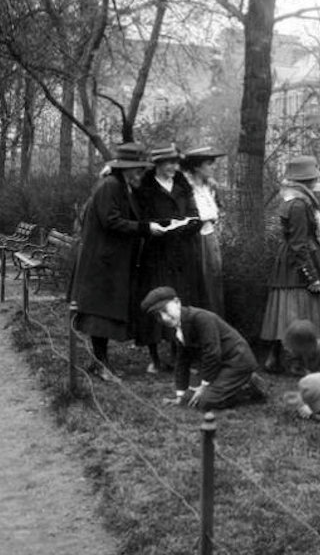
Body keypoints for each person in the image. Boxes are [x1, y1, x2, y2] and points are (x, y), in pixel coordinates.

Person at [70, 143, 164, 382]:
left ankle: (100, 363)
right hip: (102, 264)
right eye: (138, 170)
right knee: (99, 316)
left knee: (104, 316)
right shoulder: (110, 186)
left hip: (111, 263)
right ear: (126, 169)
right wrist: (145, 228)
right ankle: (101, 365)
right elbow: (111, 221)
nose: (140, 175)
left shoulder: (120, 186)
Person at [134, 143, 205, 374]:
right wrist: (156, 226)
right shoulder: (144, 187)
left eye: (176, 163)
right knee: (155, 300)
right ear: (158, 164)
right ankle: (154, 358)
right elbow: (139, 219)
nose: (175, 167)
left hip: (182, 253)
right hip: (156, 253)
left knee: (181, 300)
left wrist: (188, 225)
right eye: (170, 163)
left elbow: (195, 215)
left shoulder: (183, 186)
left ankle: (179, 356)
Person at [140, 286, 268, 410]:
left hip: (237, 362)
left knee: (205, 402)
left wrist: (204, 386)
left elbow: (212, 353)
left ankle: (248, 385)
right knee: (188, 399)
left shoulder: (201, 318)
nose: (164, 318)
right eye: (158, 315)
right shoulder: (180, 329)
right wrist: (180, 395)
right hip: (219, 365)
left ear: (177, 302)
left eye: (165, 310)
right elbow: (182, 362)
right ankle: (234, 383)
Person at [261, 155, 320, 372]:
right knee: (299, 311)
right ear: (307, 180)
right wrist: (311, 276)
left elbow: (296, 237)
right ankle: (295, 362)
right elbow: (299, 244)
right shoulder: (300, 204)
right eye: (314, 177)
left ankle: (275, 359)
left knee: (287, 311)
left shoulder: (293, 200)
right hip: (298, 264)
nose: (316, 180)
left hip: (290, 262)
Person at [181, 146, 226, 318]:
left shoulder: (210, 188)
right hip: (194, 240)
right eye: (209, 164)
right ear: (197, 167)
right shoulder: (186, 188)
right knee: (199, 282)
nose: (212, 167)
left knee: (214, 281)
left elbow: (217, 212)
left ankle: (216, 323)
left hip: (210, 238)